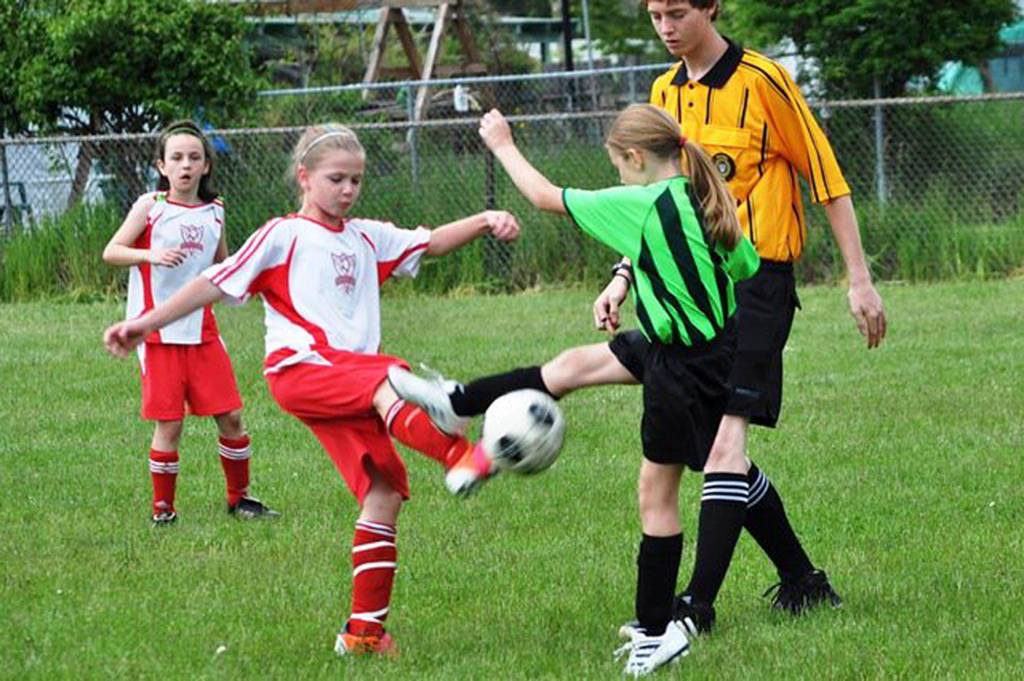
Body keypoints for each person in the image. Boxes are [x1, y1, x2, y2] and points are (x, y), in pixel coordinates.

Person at [391, 0, 889, 645]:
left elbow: (827, 179)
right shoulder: (662, 94)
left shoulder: (763, 81)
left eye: (676, 12)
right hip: (684, 292)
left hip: (752, 290)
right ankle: (800, 579)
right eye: (654, 15)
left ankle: (693, 611)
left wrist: (859, 279)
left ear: (710, 7)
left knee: (722, 453)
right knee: (593, 379)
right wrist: (623, 277)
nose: (664, 27)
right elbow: (656, 210)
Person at [103, 123, 520, 657]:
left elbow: (429, 241)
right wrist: (144, 323)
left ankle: (364, 633)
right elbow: (214, 281)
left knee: (383, 493)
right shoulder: (282, 235)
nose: (347, 190)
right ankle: (459, 453)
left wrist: (485, 220)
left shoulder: (366, 236)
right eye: (336, 179)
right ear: (305, 177)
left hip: (351, 382)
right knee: (387, 377)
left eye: (356, 180)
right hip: (301, 371)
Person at [469, 103, 758, 676]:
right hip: (715, 350)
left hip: (680, 364)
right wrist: (638, 280)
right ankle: (659, 620)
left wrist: (502, 144)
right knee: (698, 474)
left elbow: (545, 197)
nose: (619, 178)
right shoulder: (699, 196)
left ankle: (656, 632)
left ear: (634, 158)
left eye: (619, 167)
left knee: (658, 494)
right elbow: (744, 265)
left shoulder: (643, 202)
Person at [102, 120, 277, 525]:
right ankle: (163, 511)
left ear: (206, 166)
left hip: (203, 332)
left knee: (231, 417)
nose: (185, 165)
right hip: (158, 334)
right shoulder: (151, 207)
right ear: (162, 166)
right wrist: (150, 256)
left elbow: (223, 264)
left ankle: (240, 500)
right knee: (170, 425)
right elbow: (112, 251)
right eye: (176, 158)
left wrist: (251, 282)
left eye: (194, 158)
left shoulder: (215, 211)